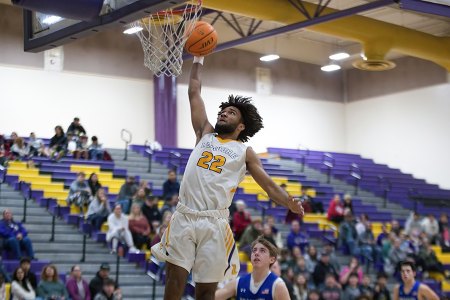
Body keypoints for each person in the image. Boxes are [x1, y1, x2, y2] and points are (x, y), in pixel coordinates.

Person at [151, 57, 303, 300]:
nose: (223, 113)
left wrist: (288, 202)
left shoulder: (245, 152)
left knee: (206, 291)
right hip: (185, 216)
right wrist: (199, 58)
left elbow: (268, 185)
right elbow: (193, 90)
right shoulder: (205, 132)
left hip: (214, 224)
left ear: (241, 126)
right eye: (222, 110)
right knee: (174, 278)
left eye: (230, 113)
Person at [215, 237, 290, 300]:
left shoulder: (278, 285)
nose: (256, 253)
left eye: (262, 251)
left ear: (272, 259)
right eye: (254, 250)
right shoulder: (239, 282)